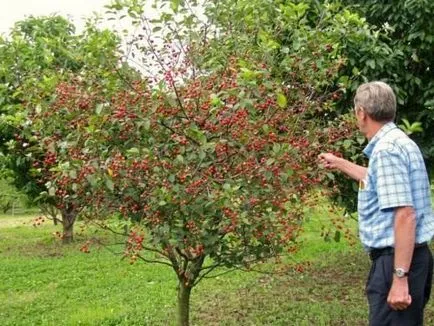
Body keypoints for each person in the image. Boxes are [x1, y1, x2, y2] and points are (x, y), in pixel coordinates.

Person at [319, 81, 434, 326]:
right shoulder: (399, 142)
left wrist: (399, 277)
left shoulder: (386, 151)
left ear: (361, 112)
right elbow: (376, 179)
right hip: (413, 258)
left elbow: (405, 214)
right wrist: (338, 162)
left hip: (397, 262)